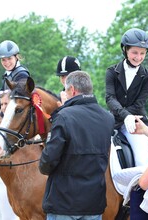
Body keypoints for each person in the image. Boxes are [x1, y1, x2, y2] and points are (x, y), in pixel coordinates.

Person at [39, 71, 115, 220]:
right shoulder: (108, 118)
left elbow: (47, 162)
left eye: (66, 91)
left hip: (64, 203)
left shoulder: (63, 116)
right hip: (94, 203)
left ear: (72, 90)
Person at [105, 27, 148, 167]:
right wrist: (125, 116)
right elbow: (110, 98)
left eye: (142, 53)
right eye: (134, 52)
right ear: (125, 50)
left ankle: (142, 188)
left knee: (141, 161)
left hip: (137, 124)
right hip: (112, 121)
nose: (138, 57)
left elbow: (139, 103)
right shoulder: (111, 72)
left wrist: (129, 117)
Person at [0, 89, 19, 220]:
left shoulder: (17, 126)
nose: (3, 107)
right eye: (1, 104)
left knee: (8, 214)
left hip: (10, 172)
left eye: (6, 103)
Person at [0, 40, 29, 115]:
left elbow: (18, 101)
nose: (6, 63)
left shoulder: (22, 75)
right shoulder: (7, 74)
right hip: (7, 114)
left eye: (9, 58)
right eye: (3, 60)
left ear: (16, 57)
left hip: (18, 117)